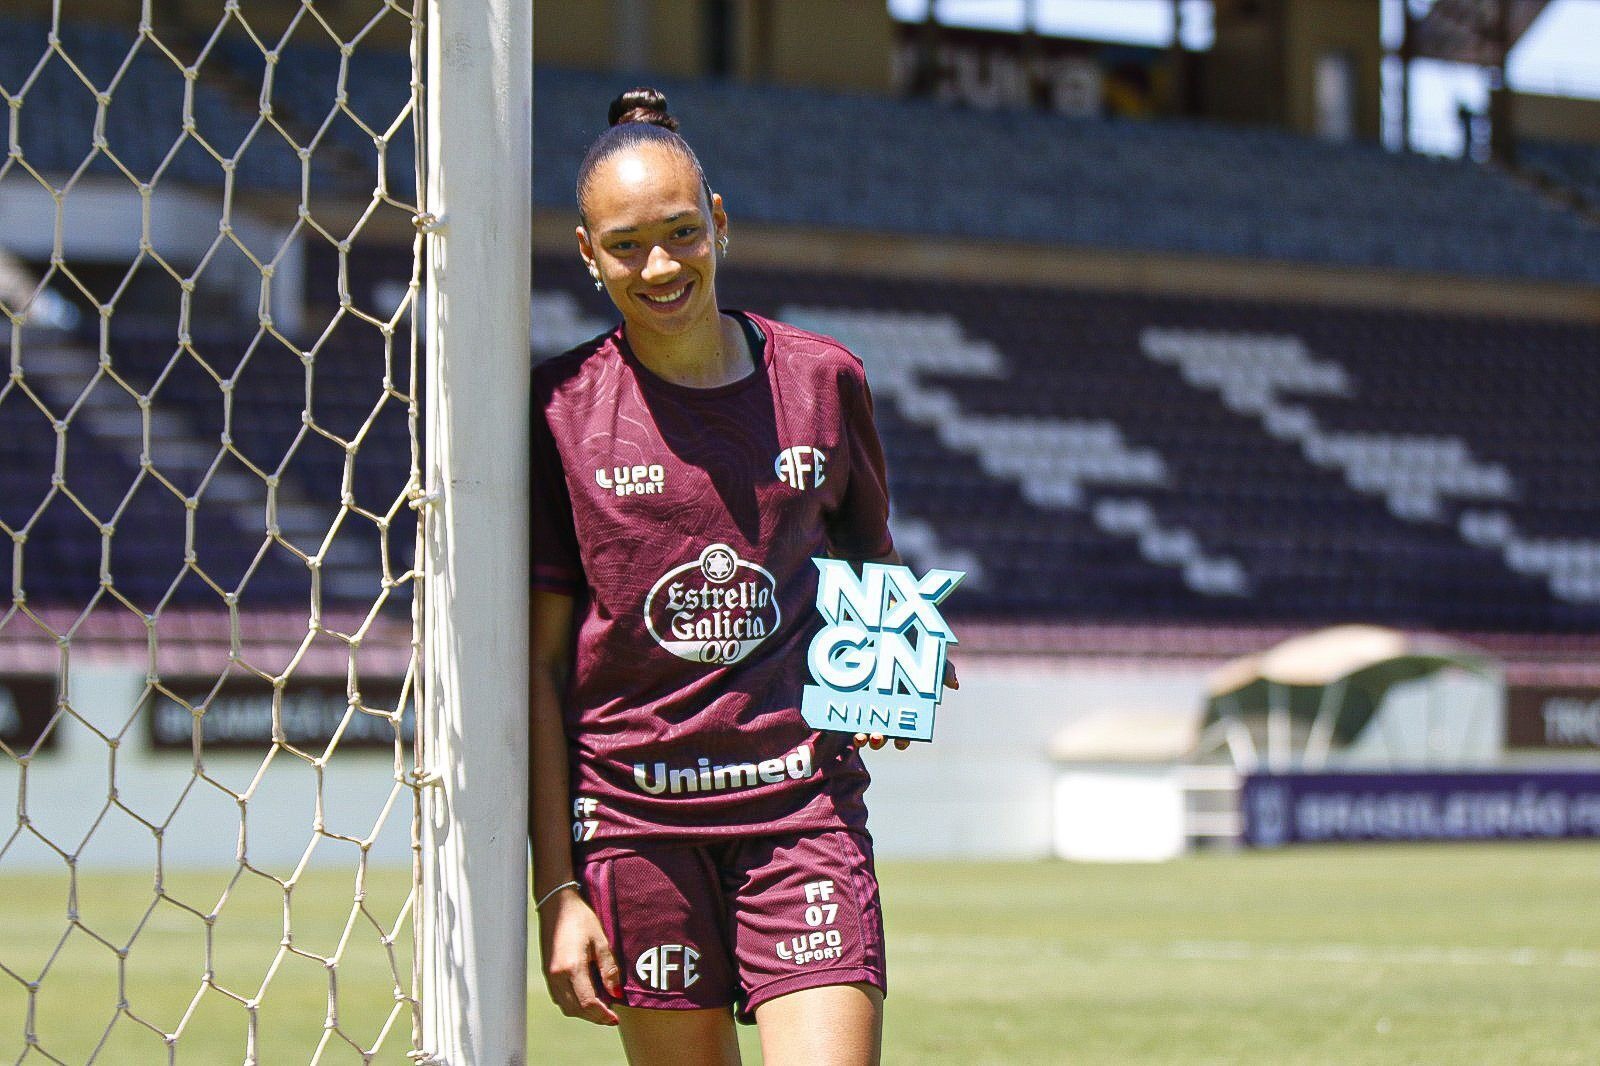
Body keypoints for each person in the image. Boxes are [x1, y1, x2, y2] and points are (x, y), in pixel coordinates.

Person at [529, 87, 952, 1066]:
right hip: (635, 827)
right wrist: (559, 891)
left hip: (800, 807)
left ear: (718, 222)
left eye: (681, 231)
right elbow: (543, 671)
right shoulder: (555, 412)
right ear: (589, 255)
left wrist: (898, 658)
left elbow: (866, 551)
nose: (661, 263)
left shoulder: (822, 378)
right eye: (627, 243)